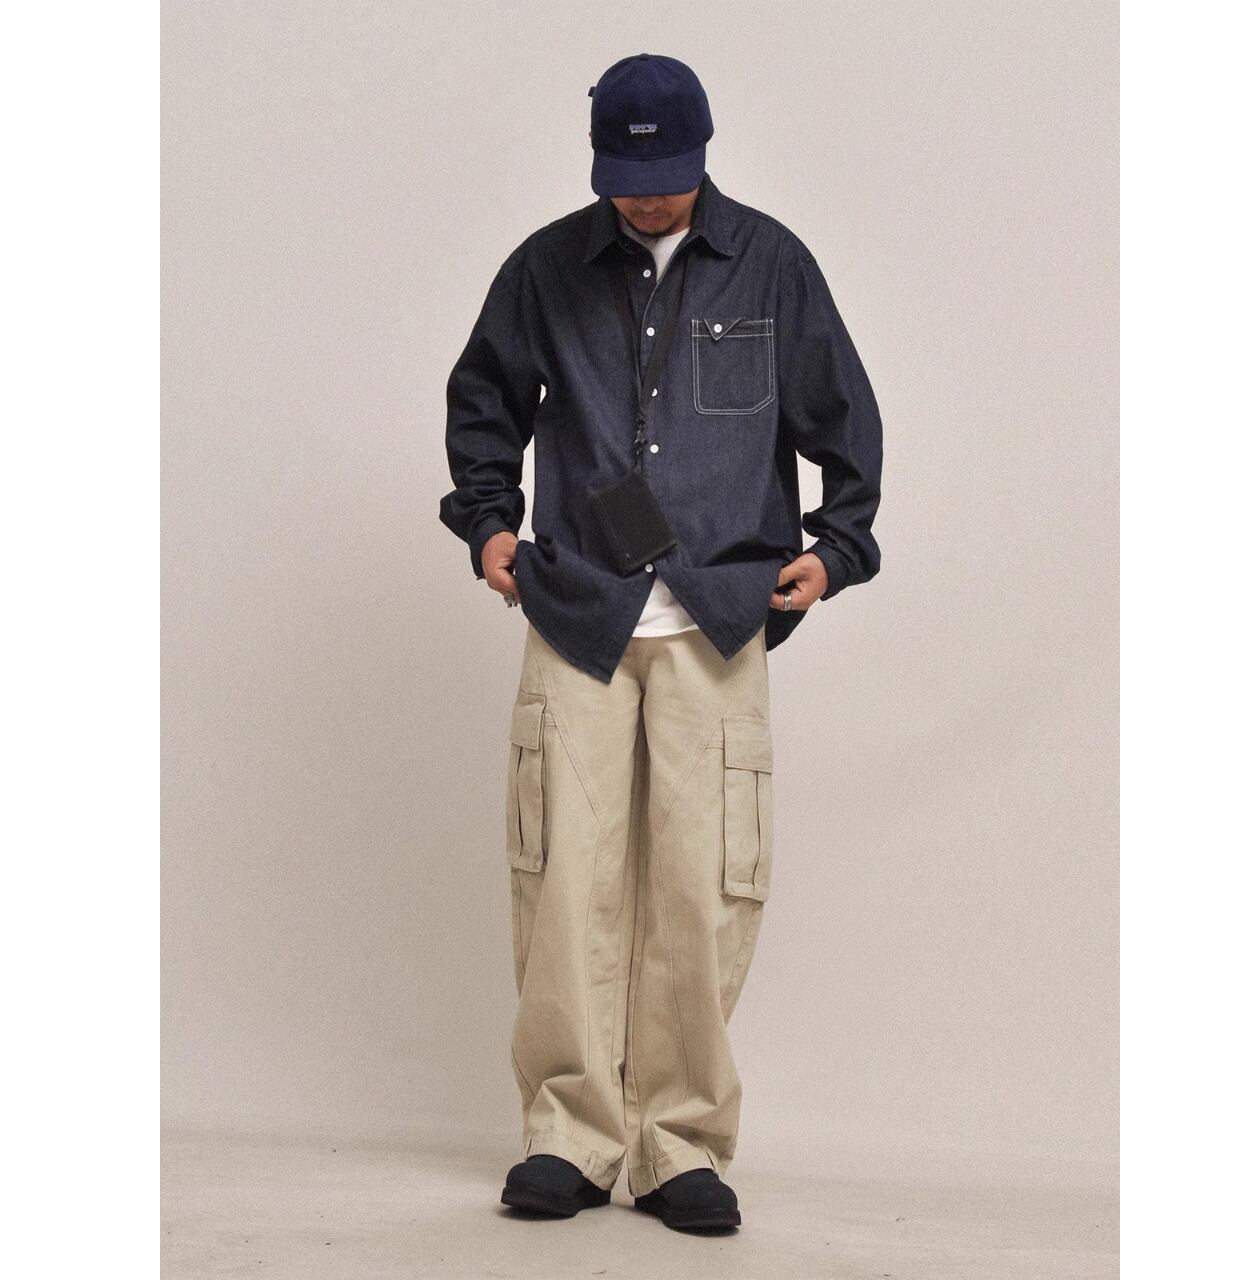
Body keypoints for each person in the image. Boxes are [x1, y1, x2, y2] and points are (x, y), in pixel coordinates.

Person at [438, 52, 883, 1233]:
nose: (645, 197)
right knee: (563, 874)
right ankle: (569, 1134)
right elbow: (483, 399)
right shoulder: (545, 268)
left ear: (703, 151)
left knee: (701, 882)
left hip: (718, 615)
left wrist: (836, 546)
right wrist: (487, 522)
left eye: (665, 175)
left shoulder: (772, 265)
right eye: (625, 178)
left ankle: (677, 1141)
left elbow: (842, 414)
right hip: (576, 607)